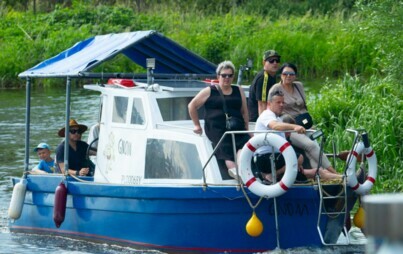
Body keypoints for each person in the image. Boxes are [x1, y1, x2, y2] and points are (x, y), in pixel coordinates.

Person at [255, 90, 341, 182]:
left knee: (317, 172)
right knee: (299, 157)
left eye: (283, 102)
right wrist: (295, 127)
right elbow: (275, 126)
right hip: (265, 158)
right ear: (269, 103)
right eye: (278, 102)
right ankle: (272, 175)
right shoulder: (267, 114)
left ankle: (342, 178)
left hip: (276, 158)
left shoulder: (278, 118)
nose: (281, 105)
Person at [269, 63, 337, 174]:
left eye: (291, 74)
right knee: (310, 145)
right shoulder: (276, 89)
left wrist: (310, 124)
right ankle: (335, 173)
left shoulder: (298, 86)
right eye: (285, 73)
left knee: (315, 146)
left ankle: (322, 176)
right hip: (290, 127)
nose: (288, 76)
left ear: (295, 76)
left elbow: (304, 107)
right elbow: (271, 107)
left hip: (305, 124)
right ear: (280, 75)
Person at [188, 60, 250, 179]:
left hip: (236, 126)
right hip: (216, 128)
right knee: (225, 145)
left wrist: (246, 128)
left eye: (230, 75)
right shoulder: (210, 91)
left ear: (233, 76)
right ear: (218, 76)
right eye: (224, 75)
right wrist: (197, 125)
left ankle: (243, 170)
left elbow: (244, 111)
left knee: (243, 145)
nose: (227, 78)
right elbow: (192, 106)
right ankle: (233, 171)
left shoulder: (238, 90)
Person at [247, 50, 281, 122]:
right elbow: (262, 104)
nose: (275, 63)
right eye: (271, 61)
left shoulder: (272, 75)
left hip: (270, 114)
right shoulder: (263, 78)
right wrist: (265, 125)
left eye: (277, 60)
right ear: (264, 62)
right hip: (257, 118)